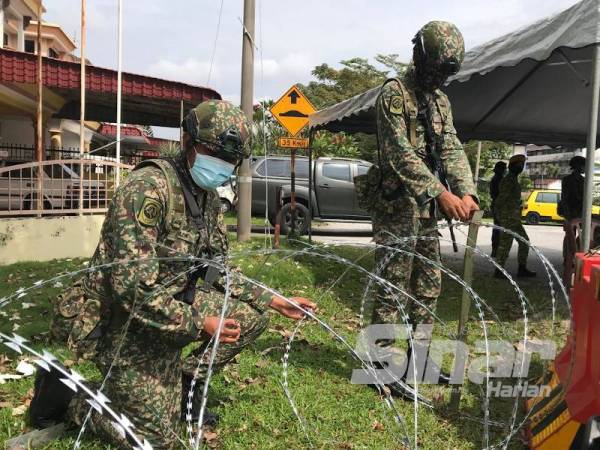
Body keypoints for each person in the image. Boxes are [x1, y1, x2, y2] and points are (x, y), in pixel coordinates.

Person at [37, 100, 316, 449]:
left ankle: (183, 385)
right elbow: (132, 289)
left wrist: (275, 299)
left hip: (171, 304)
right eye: (214, 153)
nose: (223, 165)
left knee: (250, 317)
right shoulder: (149, 189)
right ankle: (68, 398)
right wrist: (200, 323)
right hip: (123, 322)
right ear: (188, 141)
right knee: (152, 441)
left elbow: (217, 270)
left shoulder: (207, 198)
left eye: (231, 160)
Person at [356, 21, 478, 398]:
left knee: (428, 284)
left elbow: (452, 147)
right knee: (392, 284)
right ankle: (379, 365)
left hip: (427, 209)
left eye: (447, 72)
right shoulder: (394, 94)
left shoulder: (440, 101)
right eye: (437, 69)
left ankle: (419, 360)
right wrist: (441, 193)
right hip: (397, 205)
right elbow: (399, 154)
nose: (440, 77)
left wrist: (467, 190)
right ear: (420, 57)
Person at [494, 154, 536, 278]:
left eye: (522, 165)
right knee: (505, 244)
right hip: (508, 218)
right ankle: (499, 270)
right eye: (519, 165)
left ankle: (521, 268)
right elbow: (502, 198)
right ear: (512, 166)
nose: (521, 167)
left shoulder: (513, 179)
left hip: (514, 218)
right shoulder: (508, 180)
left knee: (524, 242)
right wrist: (498, 213)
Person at [490, 161, 507, 257]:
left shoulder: (495, 179)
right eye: (504, 168)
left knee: (497, 229)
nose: (505, 170)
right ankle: (497, 250)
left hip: (496, 205)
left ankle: (495, 250)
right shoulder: (500, 179)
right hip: (499, 206)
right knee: (499, 229)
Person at [560, 155, 585, 221]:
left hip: (576, 211)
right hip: (571, 211)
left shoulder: (583, 180)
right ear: (578, 166)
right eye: (583, 165)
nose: (585, 168)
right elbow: (565, 197)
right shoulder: (568, 180)